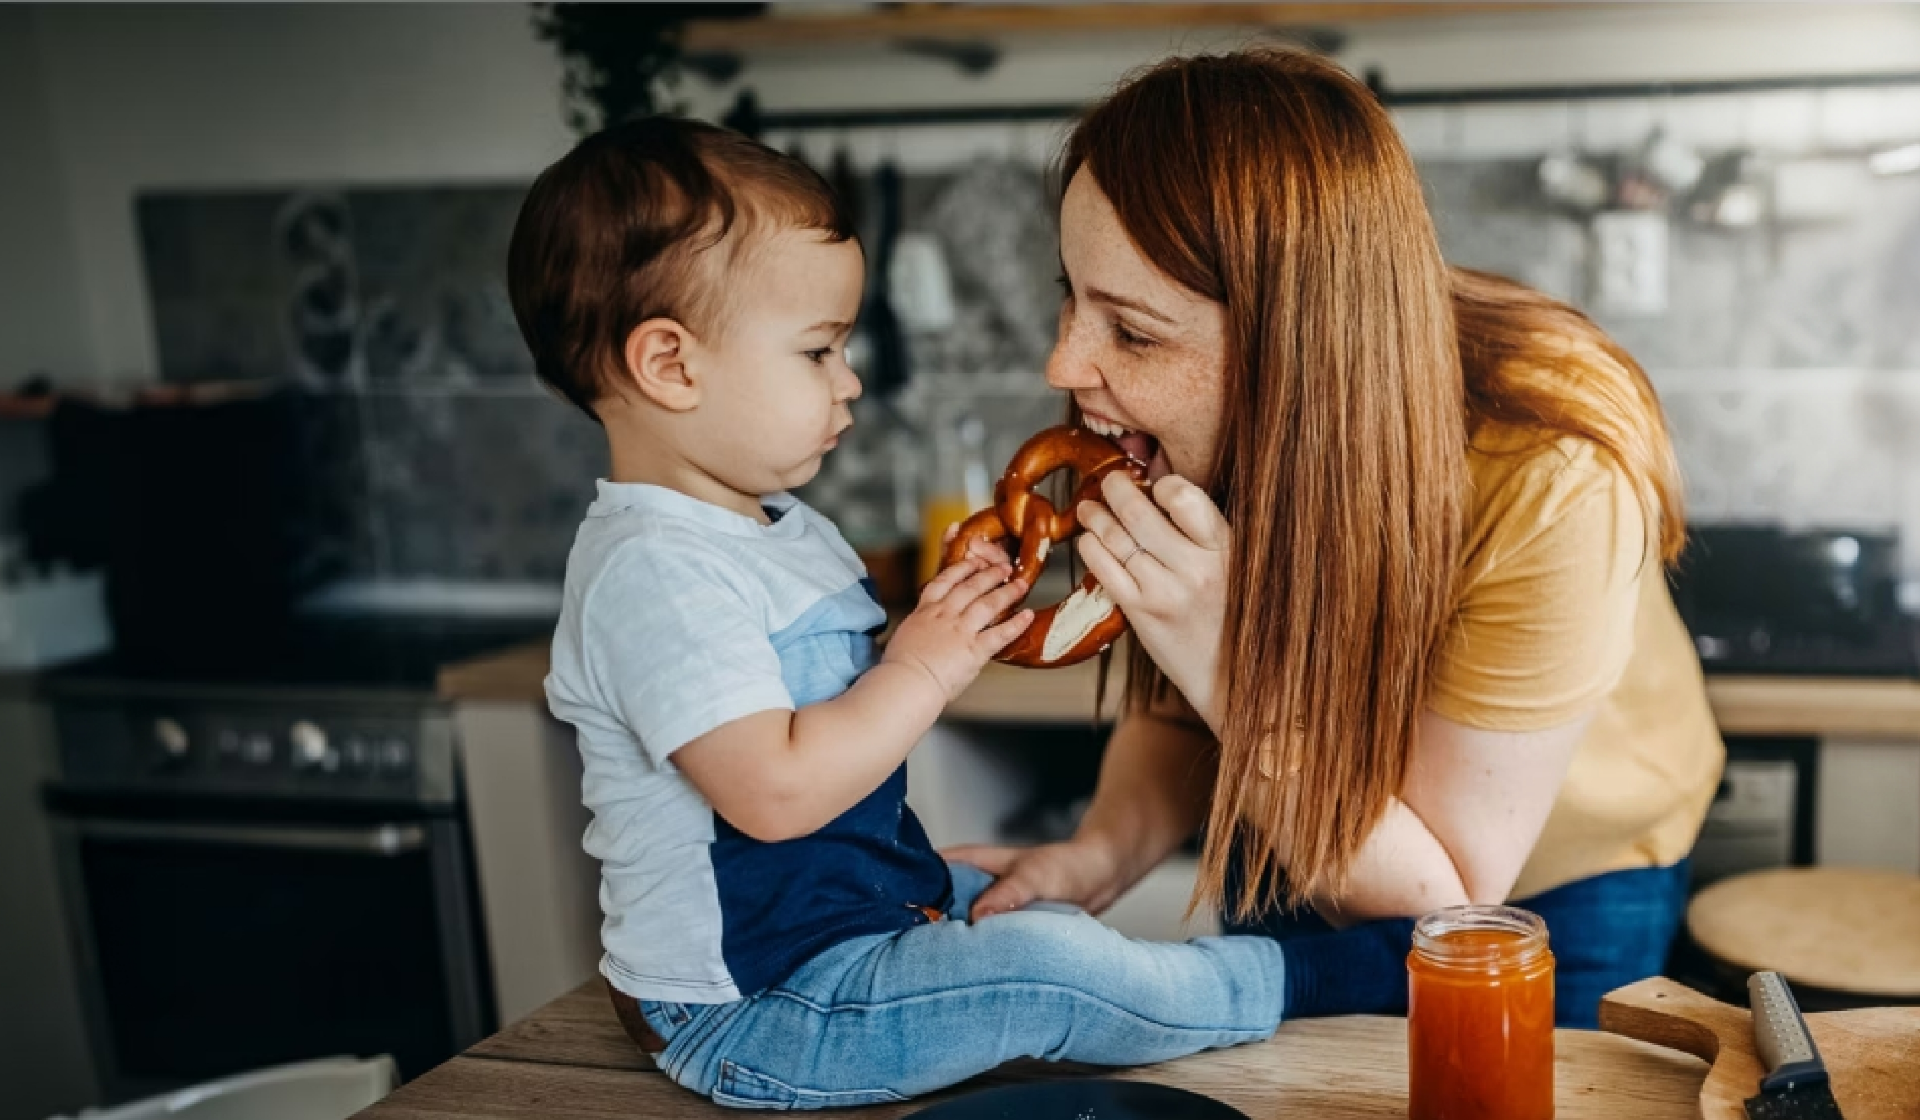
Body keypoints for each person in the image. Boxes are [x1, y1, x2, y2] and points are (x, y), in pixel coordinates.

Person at [509, 116, 1296, 1111]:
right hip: (758, 1004)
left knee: (1039, 913)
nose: (851, 380)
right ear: (671, 364)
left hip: (854, 925)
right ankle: (1309, 979)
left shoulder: (773, 531)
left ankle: (1224, 982)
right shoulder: (652, 572)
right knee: (1052, 970)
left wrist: (942, 627)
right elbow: (777, 793)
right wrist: (921, 667)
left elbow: (831, 697)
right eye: (817, 351)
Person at [950, 49, 1726, 1030]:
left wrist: (1225, 655)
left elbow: (1448, 886)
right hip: (1288, 824)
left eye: (1133, 334)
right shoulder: (1201, 426)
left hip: (1551, 885)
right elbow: (1191, 701)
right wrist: (1095, 853)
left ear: (1295, 341)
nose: (1064, 359)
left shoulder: (1550, 467)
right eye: (1072, 294)